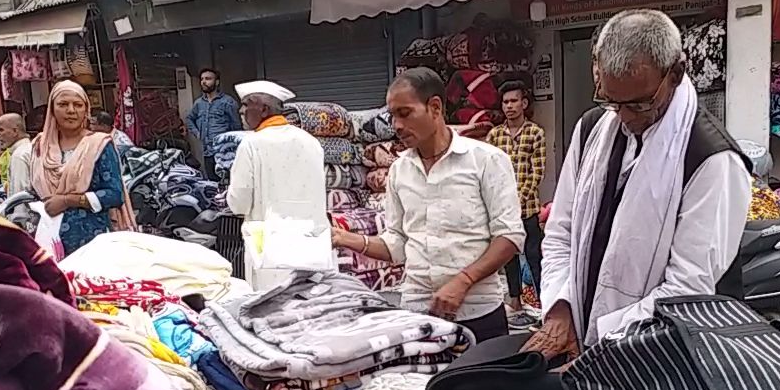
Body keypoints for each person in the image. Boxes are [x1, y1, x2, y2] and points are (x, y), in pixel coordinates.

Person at [527, 9, 752, 359]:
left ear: (676, 74)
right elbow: (560, 233)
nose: (625, 116)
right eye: (611, 101)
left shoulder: (711, 158)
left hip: (673, 359)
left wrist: (601, 337)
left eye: (641, 103)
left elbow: (687, 290)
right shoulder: (592, 129)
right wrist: (561, 310)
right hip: (588, 344)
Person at [332, 68, 525, 343]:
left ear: (435, 107)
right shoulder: (399, 171)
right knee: (420, 387)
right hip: (418, 313)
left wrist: (463, 281)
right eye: (392, 116)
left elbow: (509, 237)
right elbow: (397, 244)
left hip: (478, 312)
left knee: (482, 386)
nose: (396, 126)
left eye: (405, 113)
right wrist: (344, 238)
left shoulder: (486, 161)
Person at [226, 80, 329, 291]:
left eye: (246, 104)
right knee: (314, 308)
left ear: (263, 109)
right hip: (312, 244)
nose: (241, 111)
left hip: (270, 249)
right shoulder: (310, 141)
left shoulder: (251, 144)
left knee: (273, 311)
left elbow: (239, 203)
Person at [30, 80, 135, 255]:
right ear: (52, 110)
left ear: (85, 110)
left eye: (77, 105)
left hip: (91, 244)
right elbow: (33, 191)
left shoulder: (98, 144)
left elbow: (114, 195)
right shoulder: (41, 146)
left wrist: (67, 201)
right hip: (47, 241)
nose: (71, 110)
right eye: (63, 104)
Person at [487, 81, 546, 329]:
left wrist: (517, 198)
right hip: (503, 211)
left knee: (534, 255)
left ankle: (544, 303)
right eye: (505, 102)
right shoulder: (494, 135)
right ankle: (516, 301)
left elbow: (538, 172)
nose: (509, 106)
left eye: (514, 101)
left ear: (524, 103)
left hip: (528, 208)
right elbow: (489, 172)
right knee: (508, 255)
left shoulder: (535, 133)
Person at [185, 67, 241, 179]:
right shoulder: (199, 103)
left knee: (227, 183)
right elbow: (189, 118)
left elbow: (237, 127)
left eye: (208, 79)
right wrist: (197, 133)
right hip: (207, 153)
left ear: (217, 82)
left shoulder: (228, 102)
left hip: (224, 153)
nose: (204, 82)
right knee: (212, 184)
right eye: (202, 79)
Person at [0, 113, 32, 196]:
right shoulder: (29, 148)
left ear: (15, 131)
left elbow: (20, 197)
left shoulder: (19, 156)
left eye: (1, 130)